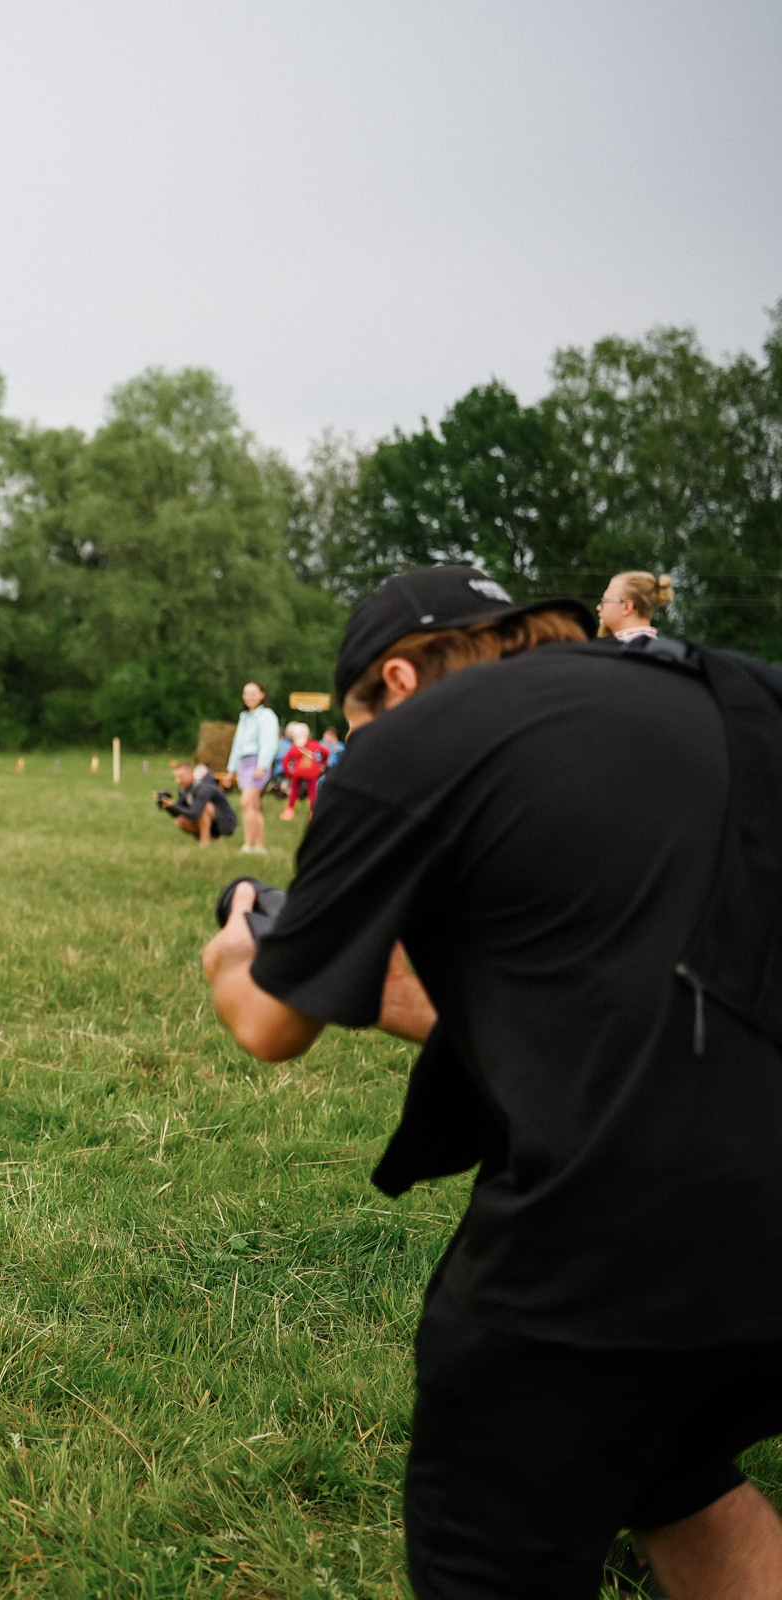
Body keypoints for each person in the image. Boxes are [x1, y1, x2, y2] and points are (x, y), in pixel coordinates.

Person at [199, 565, 782, 1598]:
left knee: (488, 1546)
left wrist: (238, 944)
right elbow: (638, 978)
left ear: (397, 680)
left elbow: (269, 1022)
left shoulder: (422, 734)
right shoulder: (732, 690)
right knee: (666, 1459)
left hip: (625, 1237)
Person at [227, 681, 280, 854]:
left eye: (253, 693)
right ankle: (259, 845)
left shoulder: (267, 716)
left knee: (247, 802)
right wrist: (231, 769)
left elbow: (269, 742)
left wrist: (262, 765)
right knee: (254, 805)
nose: (249, 697)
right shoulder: (244, 717)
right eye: (246, 694)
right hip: (243, 763)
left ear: (262, 695)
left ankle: (248, 845)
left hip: (257, 763)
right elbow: (237, 745)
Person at [157, 761, 236, 845]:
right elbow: (178, 812)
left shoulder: (204, 787)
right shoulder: (185, 789)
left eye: (181, 777)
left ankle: (204, 843)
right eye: (176, 777)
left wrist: (173, 805)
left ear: (191, 773)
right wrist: (167, 805)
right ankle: (211, 839)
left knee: (205, 808)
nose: (178, 781)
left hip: (225, 823)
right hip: (209, 822)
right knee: (180, 821)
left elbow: (195, 814)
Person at [599, 570, 673, 642]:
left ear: (627, 607)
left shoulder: (619, 647)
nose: (598, 607)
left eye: (604, 601)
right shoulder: (659, 645)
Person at [279, 720, 327, 821]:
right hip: (311, 773)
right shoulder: (315, 745)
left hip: (298, 773)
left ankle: (290, 810)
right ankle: (313, 812)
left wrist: (289, 774)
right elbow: (326, 752)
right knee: (312, 792)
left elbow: (285, 761)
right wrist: (322, 765)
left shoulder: (295, 748)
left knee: (294, 791)